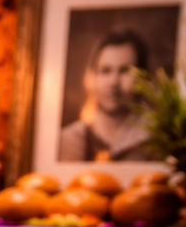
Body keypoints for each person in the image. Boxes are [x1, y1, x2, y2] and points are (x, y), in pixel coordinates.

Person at [58, 28, 153, 163]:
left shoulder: (157, 143)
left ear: (143, 77)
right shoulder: (67, 141)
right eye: (105, 71)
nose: (113, 82)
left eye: (125, 70)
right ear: (92, 77)